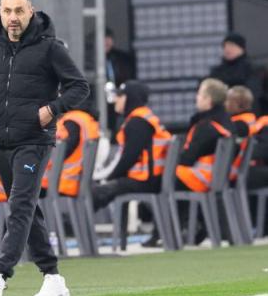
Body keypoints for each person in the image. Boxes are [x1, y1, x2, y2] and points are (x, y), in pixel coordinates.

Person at [0, 0, 89, 296]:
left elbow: (80, 87)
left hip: (34, 141)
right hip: (1, 141)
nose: (13, 17)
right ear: (0, 12)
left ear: (31, 11)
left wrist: (51, 110)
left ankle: (0, 275)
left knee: (21, 205)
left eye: (19, 11)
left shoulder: (50, 48)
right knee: (25, 207)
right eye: (7, 11)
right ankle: (53, 277)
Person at [91, 81, 171, 247]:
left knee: (96, 193)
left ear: (129, 98)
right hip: (152, 178)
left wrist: (107, 177)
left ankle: (81, 231)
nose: (116, 100)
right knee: (107, 187)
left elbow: (128, 158)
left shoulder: (137, 122)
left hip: (144, 180)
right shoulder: (143, 117)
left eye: (120, 96)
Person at [175, 79, 235, 244]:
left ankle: (167, 233)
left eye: (200, 94)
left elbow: (187, 159)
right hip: (219, 177)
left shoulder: (205, 127)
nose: (197, 97)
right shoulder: (226, 122)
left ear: (208, 100)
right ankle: (193, 227)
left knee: (162, 180)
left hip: (201, 179)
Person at [42, 95, 100, 198]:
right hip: (75, 182)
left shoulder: (72, 121)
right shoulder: (86, 120)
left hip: (60, 183)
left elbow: (62, 151)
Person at [104, 28, 136, 135]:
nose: (106, 42)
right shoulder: (91, 59)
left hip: (118, 97)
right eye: (104, 39)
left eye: (109, 38)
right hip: (102, 100)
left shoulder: (121, 58)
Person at [225, 86, 256, 182]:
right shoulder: (251, 119)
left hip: (237, 169)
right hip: (248, 165)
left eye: (227, 100)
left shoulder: (236, 125)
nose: (225, 104)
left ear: (236, 104)